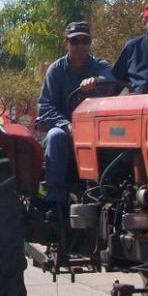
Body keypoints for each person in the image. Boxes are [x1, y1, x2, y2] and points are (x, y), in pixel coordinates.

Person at [37, 21, 115, 205]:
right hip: (65, 131)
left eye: (84, 41)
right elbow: (45, 107)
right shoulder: (55, 71)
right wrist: (67, 126)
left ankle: (112, 193)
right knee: (55, 137)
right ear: (66, 44)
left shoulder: (99, 66)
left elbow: (111, 80)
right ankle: (55, 202)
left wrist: (97, 81)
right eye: (75, 41)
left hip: (96, 132)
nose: (80, 45)